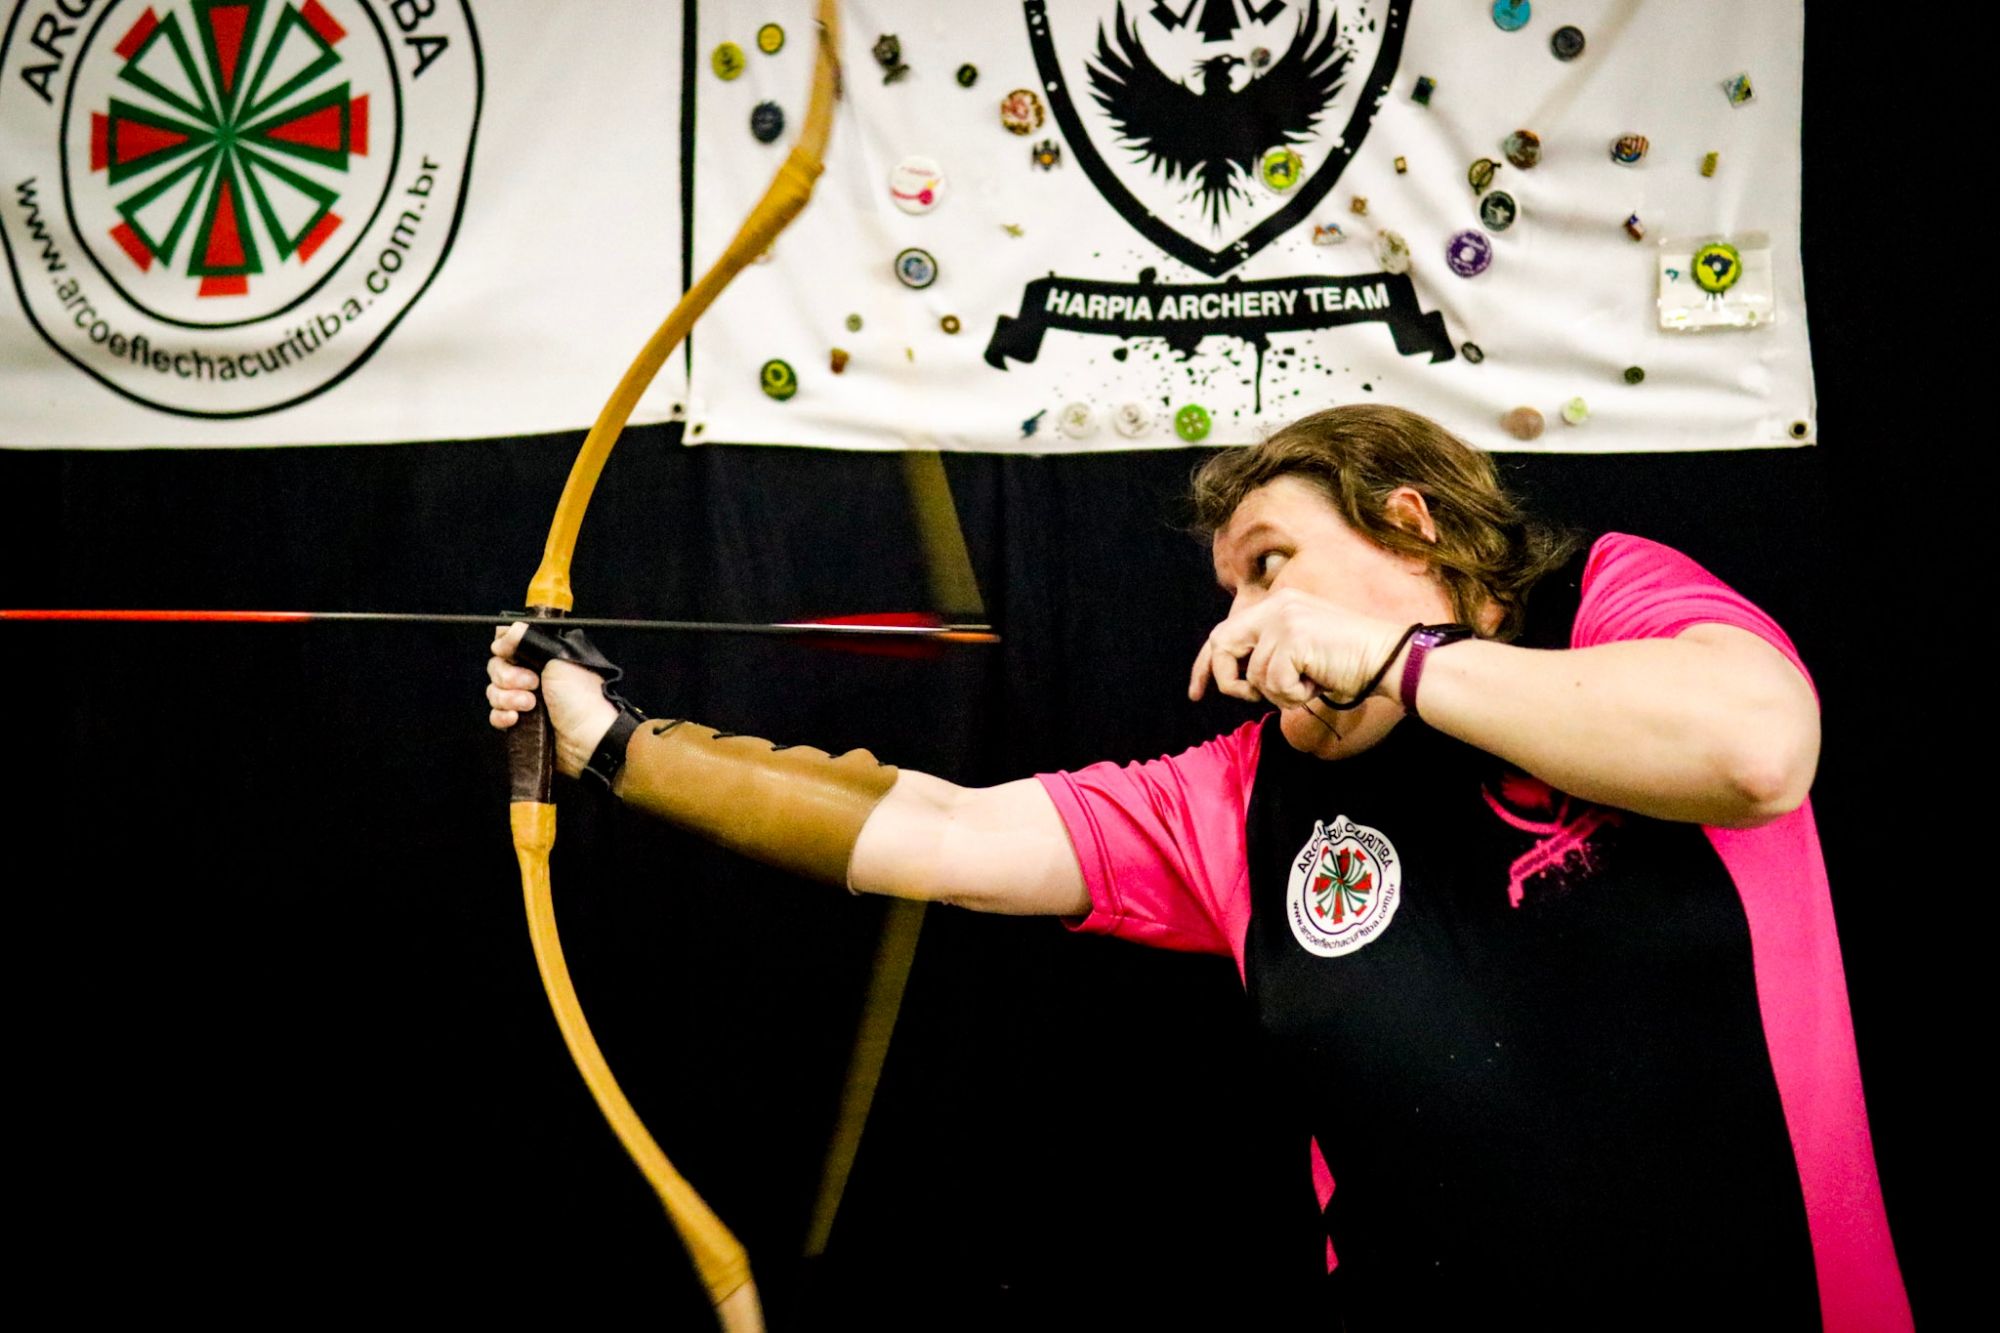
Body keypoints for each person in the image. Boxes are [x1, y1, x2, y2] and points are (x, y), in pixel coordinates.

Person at [487, 405, 1908, 1330]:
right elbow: (944, 832)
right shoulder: (1233, 795)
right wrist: (614, 744)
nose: (1239, 624)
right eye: (1228, 589)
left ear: (1413, 521)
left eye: (1272, 564)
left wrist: (1404, 663)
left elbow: (1757, 751)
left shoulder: (1607, 602)